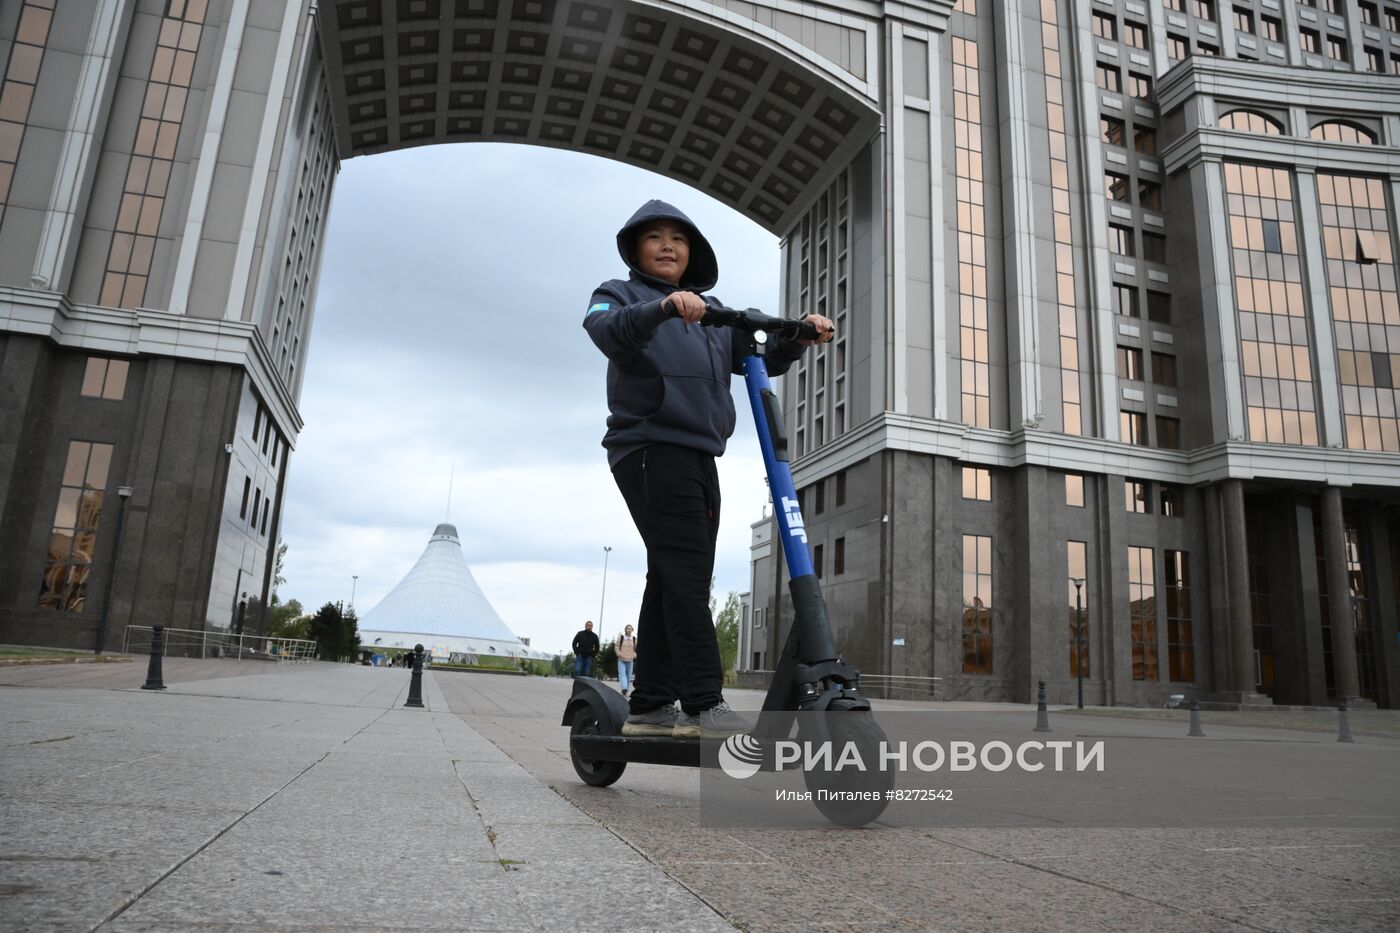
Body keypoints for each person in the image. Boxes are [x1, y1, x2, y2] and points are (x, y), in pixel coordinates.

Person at [583, 200, 833, 739]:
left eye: (678, 237)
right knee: (687, 575)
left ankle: (650, 704)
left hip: (700, 451)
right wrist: (666, 309)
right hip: (647, 446)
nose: (668, 245)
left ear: (692, 250)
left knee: (671, 575)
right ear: (635, 249)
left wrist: (797, 335)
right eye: (654, 237)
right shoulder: (617, 295)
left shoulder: (715, 315)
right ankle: (701, 703)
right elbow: (607, 330)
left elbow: (759, 355)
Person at [615, 624, 637, 696]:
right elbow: (617, 647)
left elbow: (637, 649)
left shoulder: (634, 639)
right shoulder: (621, 638)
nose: (629, 630)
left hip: (630, 660)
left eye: (630, 629)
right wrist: (618, 653)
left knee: (628, 676)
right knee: (622, 674)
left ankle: (625, 690)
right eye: (628, 628)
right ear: (625, 630)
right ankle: (624, 688)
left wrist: (635, 655)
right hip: (621, 659)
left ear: (632, 630)